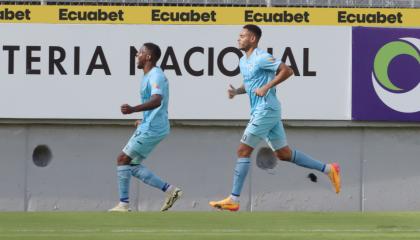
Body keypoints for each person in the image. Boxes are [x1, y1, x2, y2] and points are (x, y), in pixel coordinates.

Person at [209, 24, 341, 211]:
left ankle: (234, 199)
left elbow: (287, 70)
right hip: (265, 112)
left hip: (266, 110)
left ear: (253, 39)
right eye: (239, 35)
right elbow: (251, 84)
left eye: (243, 36)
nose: (238, 38)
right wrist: (237, 91)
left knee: (242, 150)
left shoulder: (261, 57)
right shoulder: (243, 61)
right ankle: (329, 169)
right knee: (284, 154)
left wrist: (266, 87)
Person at [109, 43, 182, 212]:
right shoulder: (147, 76)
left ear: (148, 57)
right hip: (151, 125)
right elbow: (155, 106)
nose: (137, 55)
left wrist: (133, 109)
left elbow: (157, 100)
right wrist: (143, 119)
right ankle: (170, 190)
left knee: (122, 159)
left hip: (153, 128)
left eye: (140, 52)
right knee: (131, 165)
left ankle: (124, 205)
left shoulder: (156, 75)